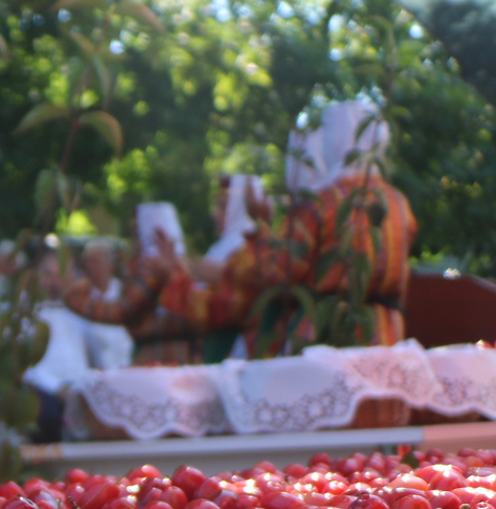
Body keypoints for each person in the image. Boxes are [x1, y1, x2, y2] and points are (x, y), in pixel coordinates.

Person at [166, 102, 415, 358]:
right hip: (388, 338)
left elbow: (279, 273)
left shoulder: (323, 203)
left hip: (326, 338)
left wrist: (262, 229)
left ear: (338, 141)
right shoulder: (398, 202)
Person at [24, 249, 133, 442]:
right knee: (47, 415)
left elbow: (105, 347)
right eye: (49, 274)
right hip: (43, 390)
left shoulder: (80, 308)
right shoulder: (26, 313)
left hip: (80, 387)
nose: (55, 281)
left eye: (61, 274)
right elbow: (27, 366)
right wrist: (58, 388)